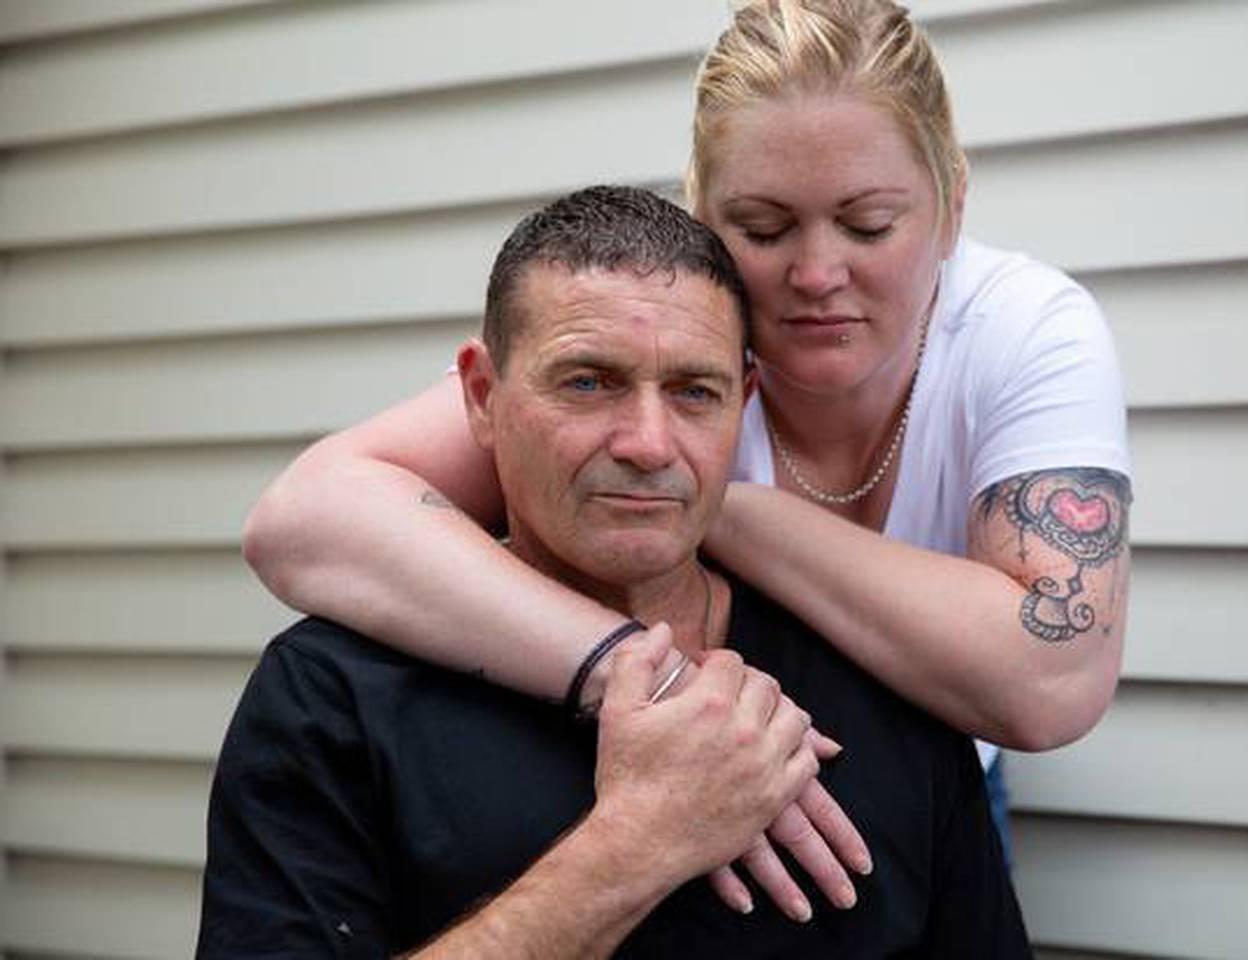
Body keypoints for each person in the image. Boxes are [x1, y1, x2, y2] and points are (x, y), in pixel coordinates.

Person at [243, 0, 1132, 865]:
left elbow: (1051, 683)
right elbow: (302, 520)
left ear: (953, 204)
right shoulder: (663, 336)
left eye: (868, 224)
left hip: (927, 787)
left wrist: (723, 513)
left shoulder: (1027, 329)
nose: (817, 273)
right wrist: (632, 670)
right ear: (701, 211)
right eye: (763, 226)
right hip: (633, 746)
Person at [198, 185, 1030, 957]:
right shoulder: (332, 700)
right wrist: (634, 844)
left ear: (743, 400)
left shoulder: (878, 681)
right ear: (482, 397)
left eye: (693, 391)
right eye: (589, 382)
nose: (647, 443)